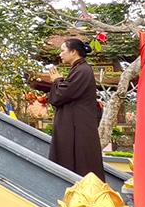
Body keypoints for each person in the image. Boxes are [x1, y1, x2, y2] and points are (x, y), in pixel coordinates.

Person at [39, 38, 104, 179]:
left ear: (73, 52)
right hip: (76, 125)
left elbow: (62, 94)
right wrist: (59, 81)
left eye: (63, 50)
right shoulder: (79, 69)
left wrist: (57, 80)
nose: (60, 54)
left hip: (78, 126)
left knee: (81, 163)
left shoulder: (82, 70)